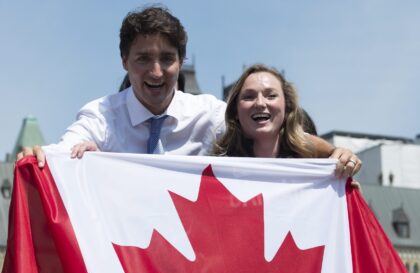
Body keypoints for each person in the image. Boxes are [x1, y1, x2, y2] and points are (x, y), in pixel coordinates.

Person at [17, 5, 361, 177]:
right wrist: (39, 157)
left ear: (181, 62)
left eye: (167, 59)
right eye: (143, 59)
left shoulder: (209, 114)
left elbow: (276, 133)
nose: (156, 72)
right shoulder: (101, 115)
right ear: (124, 61)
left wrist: (332, 154)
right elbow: (61, 153)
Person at [213, 64, 361, 177]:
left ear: (287, 106)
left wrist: (345, 188)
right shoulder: (216, 170)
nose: (260, 103)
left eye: (271, 96)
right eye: (248, 97)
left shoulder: (315, 167)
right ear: (235, 112)